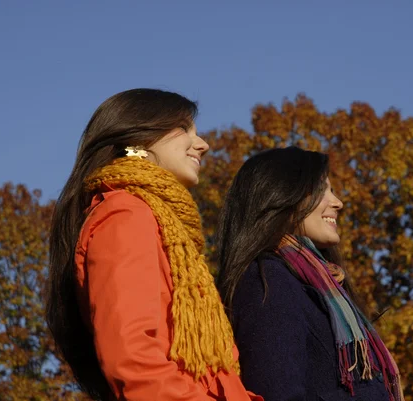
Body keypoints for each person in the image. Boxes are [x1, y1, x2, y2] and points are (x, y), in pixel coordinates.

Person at [46, 88, 261, 401]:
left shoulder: (157, 221)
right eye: (185, 129)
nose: (203, 144)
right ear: (139, 136)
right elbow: (134, 362)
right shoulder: (125, 214)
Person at [216, 146, 404, 401]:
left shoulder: (326, 286)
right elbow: (277, 392)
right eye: (320, 190)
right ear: (281, 196)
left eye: (333, 190)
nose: (338, 202)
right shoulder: (268, 280)